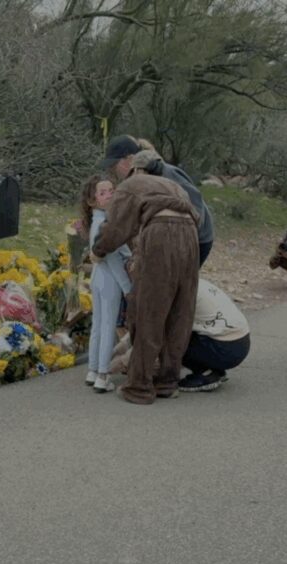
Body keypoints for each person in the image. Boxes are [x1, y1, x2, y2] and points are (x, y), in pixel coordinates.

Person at [92, 166, 200, 405]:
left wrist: (97, 249)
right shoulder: (172, 186)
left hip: (162, 234)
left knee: (148, 311)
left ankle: (139, 386)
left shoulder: (130, 187)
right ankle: (167, 382)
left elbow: (114, 229)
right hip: (191, 235)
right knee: (180, 311)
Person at [99, 134, 216, 266]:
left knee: (173, 279)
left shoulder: (166, 173)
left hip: (197, 239)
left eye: (114, 164)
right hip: (174, 235)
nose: (112, 170)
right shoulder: (136, 181)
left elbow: (196, 207)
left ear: (130, 159)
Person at [81, 175, 130, 393]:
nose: (109, 195)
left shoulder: (96, 222)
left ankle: (93, 369)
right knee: (108, 325)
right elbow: (113, 261)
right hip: (109, 280)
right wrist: (128, 288)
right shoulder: (104, 225)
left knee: (99, 325)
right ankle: (103, 374)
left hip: (98, 278)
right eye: (103, 193)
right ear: (92, 200)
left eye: (111, 190)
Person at [178, 279, 251, 392]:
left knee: (169, 335)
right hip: (240, 341)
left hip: (224, 347)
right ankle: (214, 369)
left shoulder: (178, 291)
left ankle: (205, 374)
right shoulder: (195, 281)